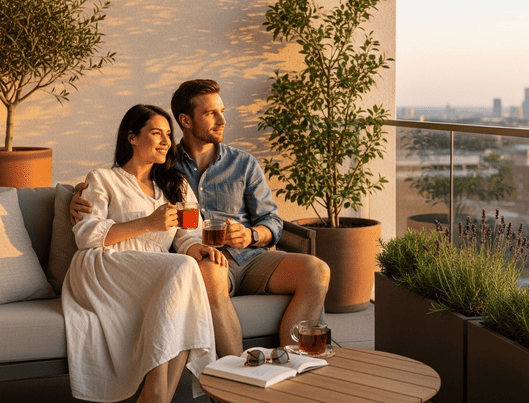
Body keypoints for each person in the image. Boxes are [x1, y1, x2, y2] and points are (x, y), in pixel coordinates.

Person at [71, 79, 330, 357]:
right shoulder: (165, 164)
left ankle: (287, 364)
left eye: (222, 111)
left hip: (252, 257)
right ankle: (237, 378)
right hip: (205, 259)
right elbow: (126, 183)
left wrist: (252, 235)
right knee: (210, 270)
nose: (222, 120)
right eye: (211, 113)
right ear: (186, 120)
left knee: (317, 270)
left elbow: (272, 221)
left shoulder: (244, 163)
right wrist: (75, 196)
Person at [62, 104, 223, 403]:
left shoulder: (176, 185)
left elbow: (188, 234)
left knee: (185, 277)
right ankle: (156, 393)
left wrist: (197, 246)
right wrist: (148, 223)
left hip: (157, 272)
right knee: (183, 271)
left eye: (168, 134)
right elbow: (87, 235)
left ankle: (157, 396)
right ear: (132, 138)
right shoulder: (102, 179)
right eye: (156, 133)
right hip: (105, 265)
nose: (165, 141)